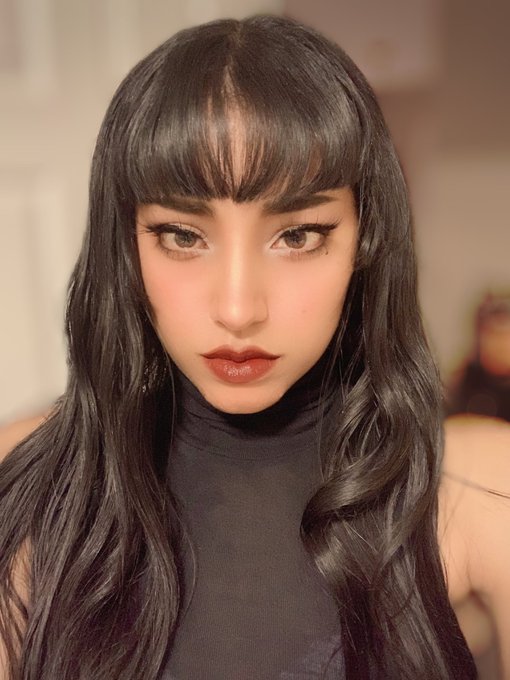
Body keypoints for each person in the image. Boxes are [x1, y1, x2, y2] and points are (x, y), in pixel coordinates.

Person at [0, 15, 508, 680]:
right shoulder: (30, 485)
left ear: (366, 242)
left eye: (298, 236)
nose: (239, 310)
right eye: (183, 236)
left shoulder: (480, 490)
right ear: (125, 247)